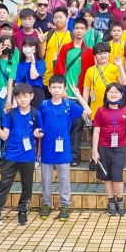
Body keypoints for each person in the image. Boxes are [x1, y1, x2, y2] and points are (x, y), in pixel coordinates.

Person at [0, 83, 44, 228]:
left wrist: (38, 134)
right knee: (4, 185)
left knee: (26, 185)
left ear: (31, 96)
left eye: (25, 96)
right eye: (19, 97)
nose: (22, 99)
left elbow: (40, 132)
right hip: (11, 156)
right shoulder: (10, 113)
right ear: (15, 98)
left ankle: (22, 210)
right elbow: (4, 136)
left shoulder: (36, 113)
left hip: (28, 157)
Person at [37, 74, 91, 221]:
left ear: (64, 89)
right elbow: (39, 125)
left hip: (64, 149)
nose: (56, 90)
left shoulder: (69, 105)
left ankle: (65, 205)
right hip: (47, 148)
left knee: (64, 178)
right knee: (46, 179)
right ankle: (46, 204)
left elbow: (88, 111)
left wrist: (78, 95)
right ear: (49, 88)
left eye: (59, 87)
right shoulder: (44, 105)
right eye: (53, 87)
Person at [54, 17, 96, 167]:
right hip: (65, 94)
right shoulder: (65, 48)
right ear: (73, 30)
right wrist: (62, 89)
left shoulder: (90, 51)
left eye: (81, 28)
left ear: (86, 31)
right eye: (76, 28)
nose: (79, 31)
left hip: (80, 96)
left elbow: (90, 75)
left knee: (77, 127)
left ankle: (75, 156)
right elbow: (58, 69)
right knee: (62, 125)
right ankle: (61, 154)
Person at [91, 83, 126, 216]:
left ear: (121, 95)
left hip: (120, 148)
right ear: (106, 95)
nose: (113, 94)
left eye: (116, 92)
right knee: (107, 176)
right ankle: (111, 202)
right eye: (110, 92)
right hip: (103, 147)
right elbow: (96, 131)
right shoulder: (100, 111)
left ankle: (120, 201)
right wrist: (94, 150)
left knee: (117, 175)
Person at [83, 42, 126, 118]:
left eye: (105, 53)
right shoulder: (90, 70)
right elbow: (86, 90)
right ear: (94, 56)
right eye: (99, 53)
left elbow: (124, 82)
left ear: (109, 54)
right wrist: (85, 107)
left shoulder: (115, 68)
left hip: (113, 107)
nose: (102, 56)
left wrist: (120, 66)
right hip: (95, 109)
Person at [43, 7, 72, 87]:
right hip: (47, 79)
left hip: (66, 80)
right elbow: (41, 55)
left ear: (67, 18)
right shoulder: (47, 35)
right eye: (55, 18)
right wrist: (40, 42)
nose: (58, 20)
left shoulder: (72, 37)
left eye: (60, 17)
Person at [13, 38, 46, 109]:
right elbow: (17, 83)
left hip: (37, 92)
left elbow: (33, 76)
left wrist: (33, 62)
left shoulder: (40, 62)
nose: (27, 48)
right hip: (23, 93)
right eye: (25, 46)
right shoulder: (20, 65)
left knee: (37, 116)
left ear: (35, 48)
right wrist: (15, 100)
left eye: (30, 46)